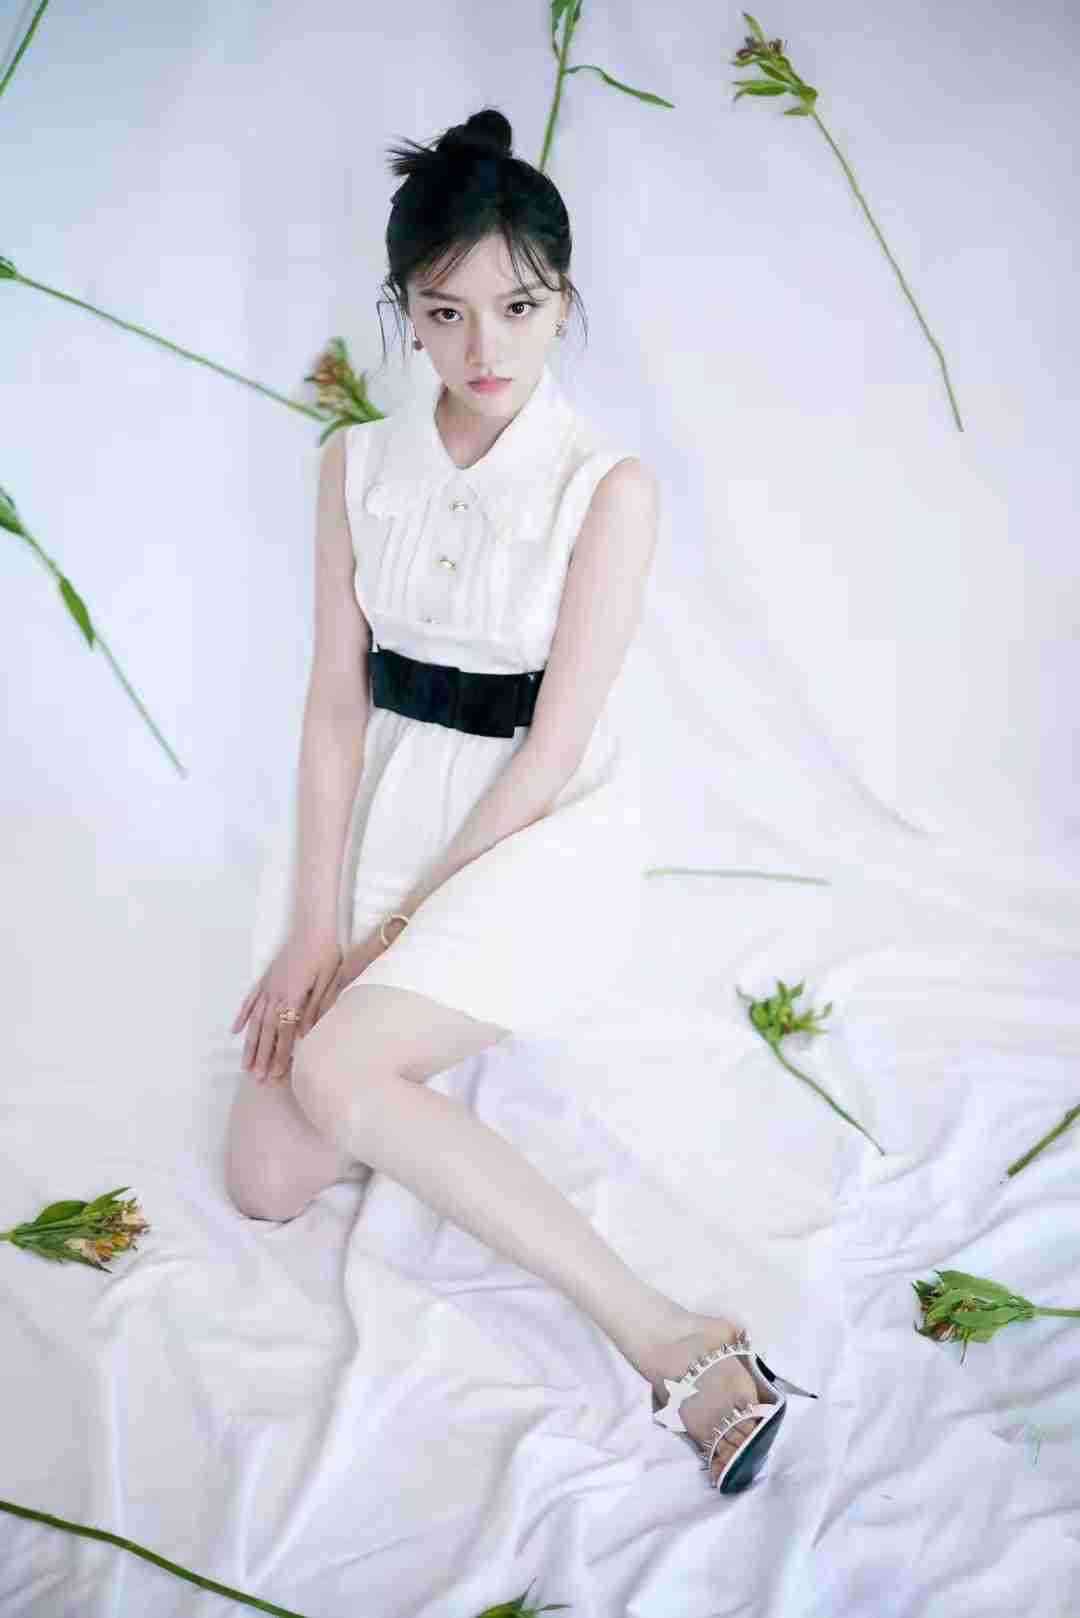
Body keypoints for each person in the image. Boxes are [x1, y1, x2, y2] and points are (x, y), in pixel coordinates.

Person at [224, 107, 806, 1494]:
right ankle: (393, 1058)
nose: (486, 348)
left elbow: (550, 751)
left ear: (563, 302)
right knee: (264, 1179)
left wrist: (385, 944)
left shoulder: (607, 488)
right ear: (406, 315)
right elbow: (333, 707)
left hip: (533, 830)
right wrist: (316, 928)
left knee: (336, 1069)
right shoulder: (355, 465)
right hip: (394, 802)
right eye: (447, 313)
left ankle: (670, 1338)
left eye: (519, 308)